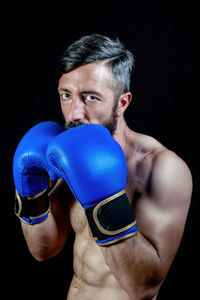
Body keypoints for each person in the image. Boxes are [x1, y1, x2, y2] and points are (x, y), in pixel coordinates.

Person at [13, 34, 192, 300]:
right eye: (66, 95)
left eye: (91, 98)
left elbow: (143, 287)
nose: (74, 113)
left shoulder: (162, 169)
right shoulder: (69, 153)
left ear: (122, 103)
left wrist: (104, 198)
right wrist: (31, 192)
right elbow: (44, 250)